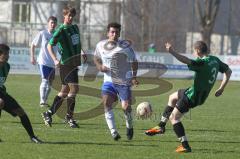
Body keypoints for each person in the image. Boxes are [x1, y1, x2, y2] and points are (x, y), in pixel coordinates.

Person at [145, 41, 232, 153]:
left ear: (198, 51)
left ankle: (185, 145)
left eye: (194, 51)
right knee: (172, 97)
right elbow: (228, 71)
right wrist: (221, 88)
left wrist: (172, 52)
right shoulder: (214, 60)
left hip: (193, 97)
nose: (193, 53)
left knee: (174, 118)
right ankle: (160, 126)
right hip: (196, 92)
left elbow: (185, 60)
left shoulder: (201, 63)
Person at [41, 5, 87, 128]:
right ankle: (69, 117)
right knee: (74, 90)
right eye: (68, 16)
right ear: (64, 16)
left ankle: (48, 113)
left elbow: (76, 42)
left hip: (74, 64)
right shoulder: (61, 30)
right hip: (66, 64)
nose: (71, 18)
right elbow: (49, 46)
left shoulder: (75, 28)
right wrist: (55, 59)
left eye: (72, 16)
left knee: (64, 92)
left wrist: (81, 51)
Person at [94, 22, 139, 141]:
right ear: (108, 33)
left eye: (117, 32)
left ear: (119, 34)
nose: (114, 34)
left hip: (123, 82)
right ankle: (113, 131)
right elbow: (96, 58)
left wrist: (134, 77)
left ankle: (129, 126)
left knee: (126, 107)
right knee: (106, 103)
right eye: (112, 32)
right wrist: (100, 67)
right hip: (108, 81)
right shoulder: (100, 45)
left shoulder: (125, 47)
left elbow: (134, 61)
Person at [0, 44, 42, 143]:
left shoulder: (7, 66)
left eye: (8, 54)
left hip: (1, 92)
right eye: (5, 54)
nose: (8, 56)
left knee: (20, 112)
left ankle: (33, 137)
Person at [30, 16, 58, 107]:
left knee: (50, 84)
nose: (53, 24)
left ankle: (44, 100)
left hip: (53, 63)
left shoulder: (57, 35)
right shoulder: (43, 33)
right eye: (51, 23)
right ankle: (42, 101)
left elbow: (60, 48)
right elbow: (33, 45)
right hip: (43, 61)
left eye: (54, 23)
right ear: (48, 23)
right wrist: (32, 57)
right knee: (45, 80)